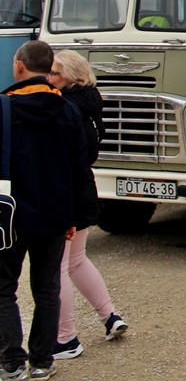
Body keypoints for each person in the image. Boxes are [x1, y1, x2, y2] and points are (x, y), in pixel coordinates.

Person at [0, 41, 91, 381]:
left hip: (8, 216)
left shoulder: (4, 108)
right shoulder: (67, 110)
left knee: (4, 286)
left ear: (20, 67)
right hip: (54, 214)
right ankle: (41, 360)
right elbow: (79, 169)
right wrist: (73, 218)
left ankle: (11, 363)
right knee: (47, 287)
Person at [46, 51, 127, 361]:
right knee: (76, 261)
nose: (50, 77)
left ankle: (65, 338)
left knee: (59, 268)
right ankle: (110, 316)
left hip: (68, 191)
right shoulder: (91, 104)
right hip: (84, 186)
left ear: (72, 76)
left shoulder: (65, 108)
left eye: (55, 73)